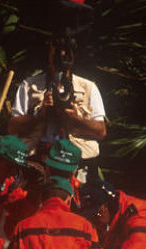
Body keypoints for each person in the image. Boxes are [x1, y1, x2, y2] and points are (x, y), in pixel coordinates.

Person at [8, 36, 106, 170]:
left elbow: (101, 131)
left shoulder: (88, 87)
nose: (61, 56)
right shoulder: (30, 86)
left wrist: (74, 119)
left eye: (66, 52)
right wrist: (41, 115)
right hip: (36, 159)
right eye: (57, 52)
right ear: (48, 55)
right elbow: (13, 127)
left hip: (75, 161)